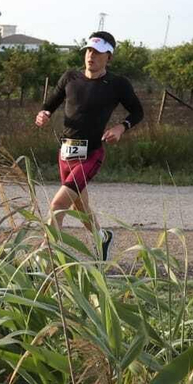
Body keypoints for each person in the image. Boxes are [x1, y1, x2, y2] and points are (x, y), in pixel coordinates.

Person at [34, 30, 144, 261]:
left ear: (109, 57)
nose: (91, 56)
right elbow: (50, 104)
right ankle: (102, 237)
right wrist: (43, 114)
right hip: (65, 153)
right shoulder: (70, 78)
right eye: (89, 50)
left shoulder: (117, 84)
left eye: (98, 52)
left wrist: (121, 127)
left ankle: (43, 259)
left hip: (90, 154)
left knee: (57, 205)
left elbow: (138, 111)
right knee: (80, 209)